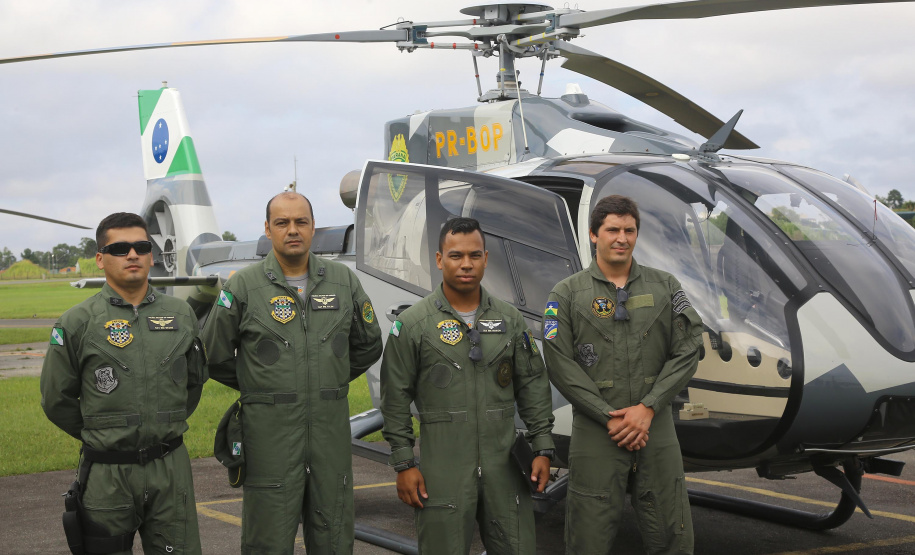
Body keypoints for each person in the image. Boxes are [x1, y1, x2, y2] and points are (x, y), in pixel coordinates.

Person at [202, 192, 383, 554]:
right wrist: (263, 384)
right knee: (266, 541)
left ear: (313, 227)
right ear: (268, 230)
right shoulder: (244, 286)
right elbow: (213, 354)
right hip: (269, 439)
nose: (293, 230)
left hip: (329, 438)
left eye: (301, 221)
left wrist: (322, 378)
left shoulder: (342, 282)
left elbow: (369, 344)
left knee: (333, 538)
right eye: (282, 223)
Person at [381, 217, 555, 555]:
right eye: (456, 256)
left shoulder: (509, 320)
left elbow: (533, 384)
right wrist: (404, 463)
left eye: (474, 256)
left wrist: (543, 447)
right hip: (443, 472)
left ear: (486, 259)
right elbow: (395, 397)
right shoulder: (414, 324)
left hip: (504, 470)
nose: (466, 264)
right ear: (439, 259)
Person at [542, 195, 703, 555]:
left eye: (629, 230)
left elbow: (689, 347)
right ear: (593, 235)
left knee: (672, 530)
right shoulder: (565, 294)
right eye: (612, 229)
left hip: (655, 425)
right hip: (597, 428)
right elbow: (558, 360)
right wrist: (606, 417)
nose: (622, 237)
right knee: (588, 533)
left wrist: (648, 408)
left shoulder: (665, 287)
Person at [41, 212, 207, 554]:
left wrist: (161, 425)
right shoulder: (77, 323)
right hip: (107, 472)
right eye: (119, 248)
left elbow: (192, 384)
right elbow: (56, 400)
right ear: (100, 259)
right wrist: (105, 435)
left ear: (151, 255)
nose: (132, 255)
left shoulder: (181, 315)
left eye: (141, 246)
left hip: (169, 467)